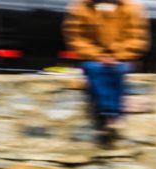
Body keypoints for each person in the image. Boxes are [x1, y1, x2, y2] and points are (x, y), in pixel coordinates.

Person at [62, 0, 149, 145]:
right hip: (93, 58)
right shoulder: (80, 8)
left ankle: (105, 116)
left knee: (117, 70)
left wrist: (114, 55)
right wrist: (98, 55)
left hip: (122, 58)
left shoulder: (132, 8)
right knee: (94, 69)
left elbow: (137, 39)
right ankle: (111, 115)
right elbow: (76, 38)